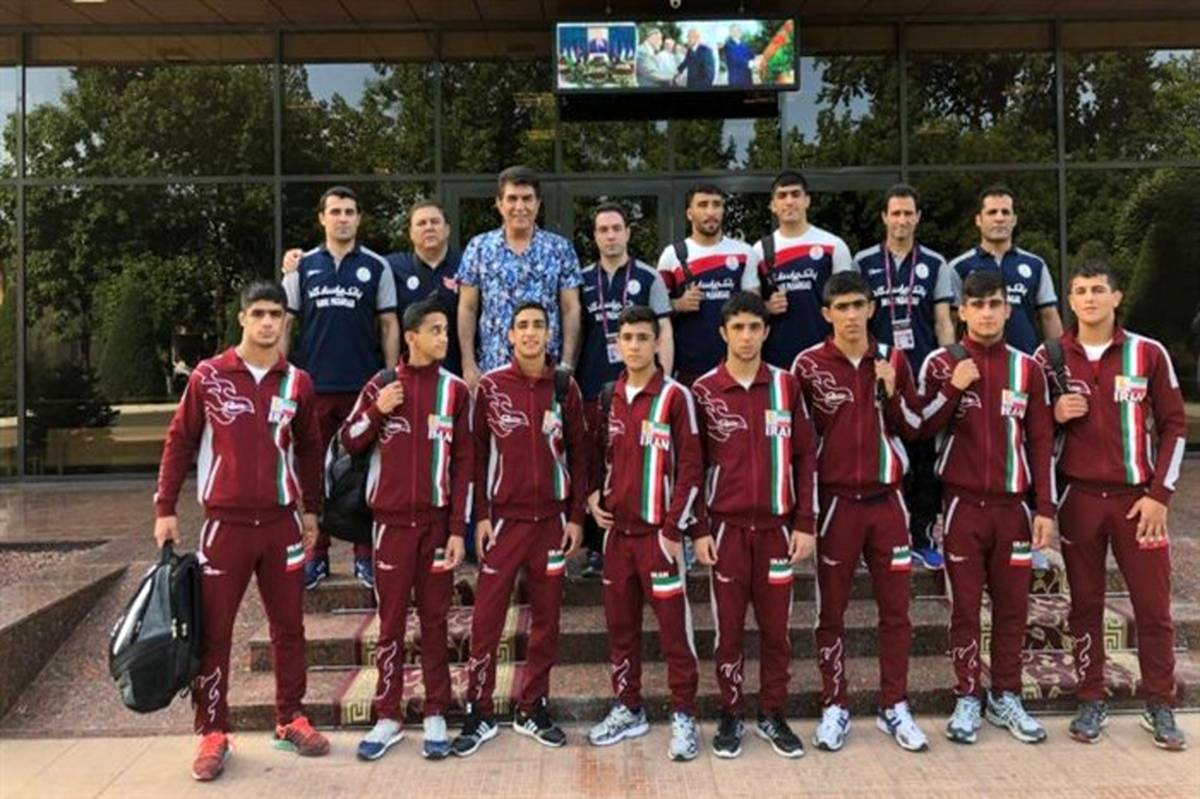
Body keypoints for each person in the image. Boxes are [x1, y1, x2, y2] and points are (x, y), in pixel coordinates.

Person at [154, 281, 329, 782]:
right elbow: (179, 441)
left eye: (276, 314)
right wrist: (165, 507)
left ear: (286, 321)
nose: (268, 322)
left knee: (289, 627)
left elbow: (310, 448)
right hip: (224, 526)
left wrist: (312, 511)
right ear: (242, 319)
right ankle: (213, 731)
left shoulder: (297, 382)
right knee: (216, 632)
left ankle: (291, 717)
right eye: (259, 313)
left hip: (281, 524)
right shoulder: (209, 376)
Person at [1038, 261, 1188, 751]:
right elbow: (1031, 431)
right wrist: (1054, 413)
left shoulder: (1148, 352)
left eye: (1098, 290)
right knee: (1084, 605)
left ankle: (1160, 703)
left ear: (1117, 297)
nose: (1089, 298)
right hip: (1079, 499)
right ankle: (1090, 697)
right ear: (1070, 300)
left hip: (1137, 502)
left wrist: (1160, 495)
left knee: (1153, 607)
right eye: (1080, 290)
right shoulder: (1050, 357)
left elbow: (1175, 426)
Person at [918, 269, 1056, 746]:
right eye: (977, 305)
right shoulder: (941, 362)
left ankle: (1006, 696)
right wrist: (954, 388)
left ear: (1008, 309)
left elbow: (1041, 441)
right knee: (964, 609)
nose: (986, 313)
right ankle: (967, 696)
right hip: (962, 508)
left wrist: (1045, 508)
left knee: (1013, 607)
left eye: (994, 304)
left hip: (1014, 508)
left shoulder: (1027, 368)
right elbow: (919, 428)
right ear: (962, 311)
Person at [792, 271, 928, 754]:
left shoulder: (893, 358)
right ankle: (835, 704)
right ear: (826, 313)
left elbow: (914, 427)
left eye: (858, 305)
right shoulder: (807, 365)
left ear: (872, 308)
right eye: (841, 307)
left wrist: (893, 391)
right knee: (831, 611)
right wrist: (804, 514)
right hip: (835, 505)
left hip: (887, 501)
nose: (851, 315)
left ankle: (895, 704)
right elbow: (800, 446)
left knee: (897, 611)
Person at [337, 298, 472, 762]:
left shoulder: (455, 391)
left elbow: (464, 465)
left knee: (435, 621)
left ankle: (436, 710)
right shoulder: (381, 384)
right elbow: (349, 440)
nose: (444, 337)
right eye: (435, 330)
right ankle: (388, 714)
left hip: (435, 527)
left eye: (446, 330)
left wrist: (457, 530)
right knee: (391, 622)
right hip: (390, 527)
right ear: (411, 337)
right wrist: (378, 410)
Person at [452, 302, 588, 757]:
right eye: (522, 326)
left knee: (546, 620)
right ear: (509, 335)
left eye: (538, 326)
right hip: (503, 524)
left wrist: (576, 518)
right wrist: (480, 517)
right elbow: (474, 455)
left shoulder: (565, 387)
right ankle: (479, 710)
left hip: (551, 523)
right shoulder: (491, 387)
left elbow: (581, 455)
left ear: (550, 334)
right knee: (487, 618)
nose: (530, 333)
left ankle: (533, 707)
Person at [692, 292, 817, 760]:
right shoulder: (703, 390)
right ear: (723, 333)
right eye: (738, 328)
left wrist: (805, 522)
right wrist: (698, 529)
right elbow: (691, 467)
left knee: (776, 630)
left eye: (754, 328)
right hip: (724, 530)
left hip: (776, 531)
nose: (746, 337)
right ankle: (731, 712)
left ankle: (772, 712)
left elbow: (805, 457)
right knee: (727, 630)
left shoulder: (787, 386)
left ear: (766, 332)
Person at [586, 305, 704, 761]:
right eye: (627, 338)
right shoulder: (608, 395)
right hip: (618, 538)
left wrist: (673, 530)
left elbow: (691, 468)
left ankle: (684, 714)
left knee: (674, 633)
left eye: (642, 337)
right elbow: (597, 455)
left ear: (657, 343)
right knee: (621, 630)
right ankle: (628, 707)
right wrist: (593, 497)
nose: (634, 346)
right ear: (617, 344)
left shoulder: (675, 397)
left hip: (659, 538)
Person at [280, 185, 400, 591]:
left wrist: (389, 376)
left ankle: (365, 555)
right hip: (314, 386)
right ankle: (316, 554)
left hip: (362, 387)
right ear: (322, 218)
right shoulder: (301, 267)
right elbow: (286, 323)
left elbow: (389, 324)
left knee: (362, 472)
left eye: (350, 211)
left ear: (359, 218)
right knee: (312, 472)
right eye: (335, 211)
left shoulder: (377, 266)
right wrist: (282, 375)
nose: (343, 218)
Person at [853, 184, 956, 571]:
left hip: (921, 371)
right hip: (878, 370)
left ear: (918, 217)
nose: (901, 220)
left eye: (908, 213)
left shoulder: (935, 263)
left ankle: (923, 536)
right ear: (884, 217)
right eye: (895, 213)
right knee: (876, 453)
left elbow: (943, 320)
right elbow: (855, 316)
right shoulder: (863, 262)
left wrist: (947, 364)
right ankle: (875, 538)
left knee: (923, 455)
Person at [578, 203, 674, 577]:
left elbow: (664, 331)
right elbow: (576, 329)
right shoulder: (581, 279)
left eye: (617, 228)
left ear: (628, 233)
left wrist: (664, 379)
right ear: (595, 236)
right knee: (597, 462)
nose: (610, 235)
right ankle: (597, 546)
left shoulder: (649, 278)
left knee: (637, 461)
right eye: (603, 230)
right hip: (595, 386)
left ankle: (650, 534)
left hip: (641, 387)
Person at [457, 166, 583, 391]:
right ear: (499, 203)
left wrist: (566, 363)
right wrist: (468, 363)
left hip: (546, 371)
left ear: (538, 203)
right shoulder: (479, 248)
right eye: (512, 199)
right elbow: (467, 308)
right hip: (493, 368)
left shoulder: (560, 249)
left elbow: (570, 308)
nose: (520, 207)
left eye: (527, 199)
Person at [657, 184, 760, 387]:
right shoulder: (672, 254)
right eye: (703, 205)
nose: (710, 211)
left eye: (716, 205)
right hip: (688, 368)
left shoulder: (744, 252)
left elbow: (754, 308)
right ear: (689, 213)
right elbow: (656, 309)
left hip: (735, 366)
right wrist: (678, 304)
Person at [754, 170, 854, 370]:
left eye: (795, 194)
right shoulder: (759, 251)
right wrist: (766, 307)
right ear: (773, 205)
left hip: (825, 355)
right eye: (782, 196)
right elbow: (749, 309)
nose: (789, 201)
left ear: (807, 201)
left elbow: (847, 305)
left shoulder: (833, 245)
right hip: (776, 358)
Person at [949, 185, 1063, 355]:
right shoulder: (959, 267)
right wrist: (953, 360)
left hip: (1025, 360)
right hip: (975, 362)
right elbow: (952, 321)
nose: (999, 218)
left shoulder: (1035, 265)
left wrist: (1060, 360)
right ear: (978, 220)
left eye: (1005, 212)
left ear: (1014, 219)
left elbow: (1048, 315)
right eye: (992, 212)